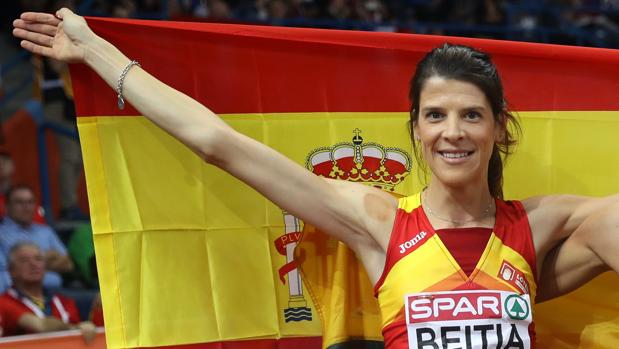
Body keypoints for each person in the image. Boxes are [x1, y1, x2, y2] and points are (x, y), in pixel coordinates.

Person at [11, 8, 618, 348]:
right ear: (415, 130)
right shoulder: (380, 222)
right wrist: (97, 54)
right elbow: (219, 145)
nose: (452, 132)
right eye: (435, 115)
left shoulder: (540, 225)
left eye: (470, 116)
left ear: (498, 131)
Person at [0, 242, 95, 340]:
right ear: (11, 270)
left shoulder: (63, 301)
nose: (33, 264)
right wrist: (76, 328)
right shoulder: (4, 302)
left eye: (38, 259)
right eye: (24, 260)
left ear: (45, 267)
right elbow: (41, 326)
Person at [0, 185, 74, 292]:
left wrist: (27, 263)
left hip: (51, 295)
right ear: (6, 207)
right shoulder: (1, 234)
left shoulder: (45, 231)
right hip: (16, 295)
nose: (26, 207)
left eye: (30, 202)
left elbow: (68, 264)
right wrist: (48, 257)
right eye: (19, 202)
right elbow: (5, 271)